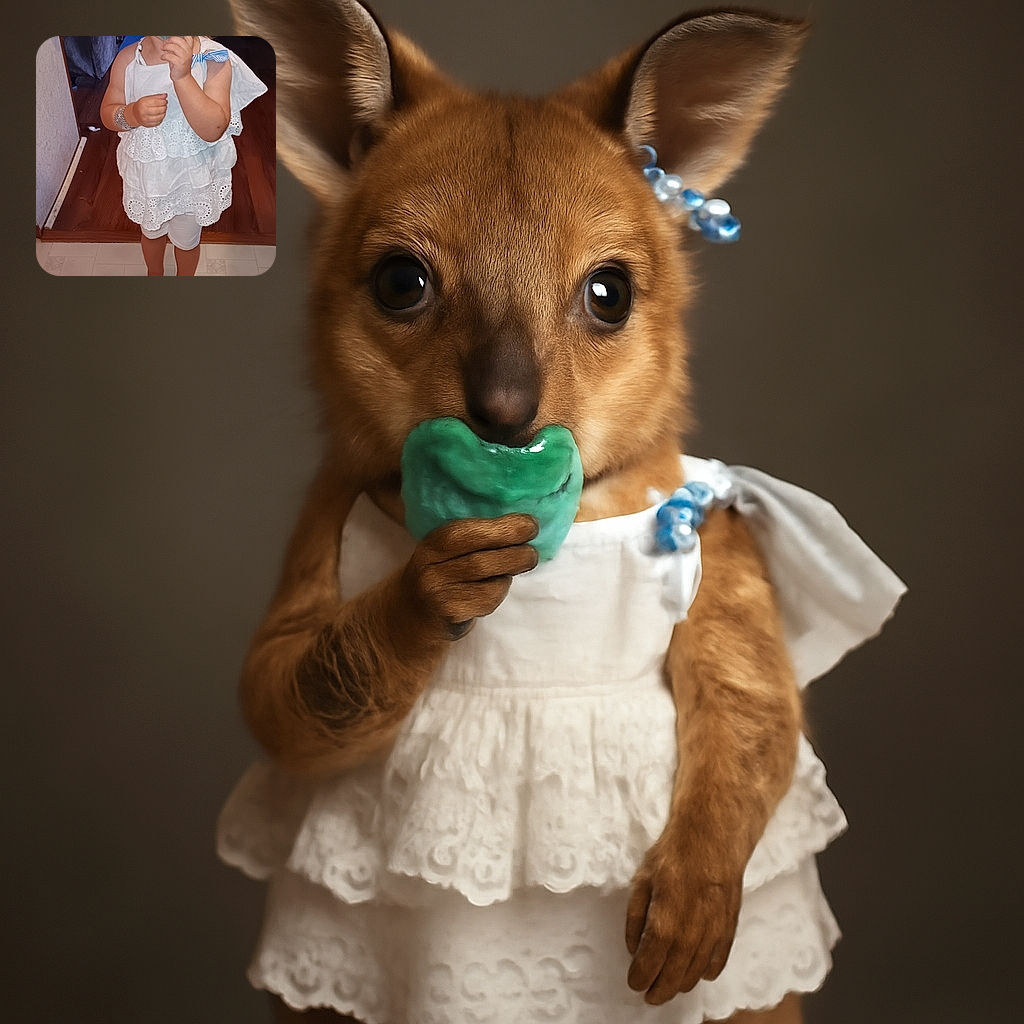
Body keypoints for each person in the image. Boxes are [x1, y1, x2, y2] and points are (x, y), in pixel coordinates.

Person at [100, 36, 267, 275]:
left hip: (191, 181)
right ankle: (154, 274)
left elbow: (213, 130)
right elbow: (108, 113)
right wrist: (131, 113)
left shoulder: (213, 57)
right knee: (151, 233)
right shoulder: (128, 58)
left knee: (187, 242)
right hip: (151, 180)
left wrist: (183, 77)